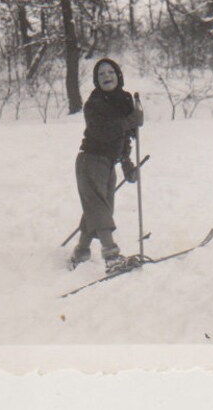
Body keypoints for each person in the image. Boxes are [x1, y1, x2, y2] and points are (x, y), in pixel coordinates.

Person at [70, 58, 143, 271]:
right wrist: (128, 122)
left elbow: (124, 137)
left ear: (118, 75)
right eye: (101, 74)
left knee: (100, 208)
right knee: (100, 208)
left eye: (110, 72)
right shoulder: (94, 104)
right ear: (96, 80)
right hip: (90, 161)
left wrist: (126, 162)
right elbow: (105, 132)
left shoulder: (124, 100)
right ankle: (112, 256)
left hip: (108, 163)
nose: (106, 77)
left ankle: (81, 253)